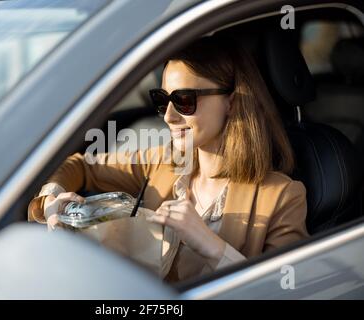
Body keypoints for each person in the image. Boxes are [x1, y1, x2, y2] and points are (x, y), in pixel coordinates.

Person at [28, 35, 309, 282]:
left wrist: (211, 246)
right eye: (162, 100)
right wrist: (52, 200)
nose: (168, 116)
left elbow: (286, 289)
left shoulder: (282, 197)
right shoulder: (162, 163)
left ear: (231, 103)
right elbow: (79, 165)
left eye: (185, 100)